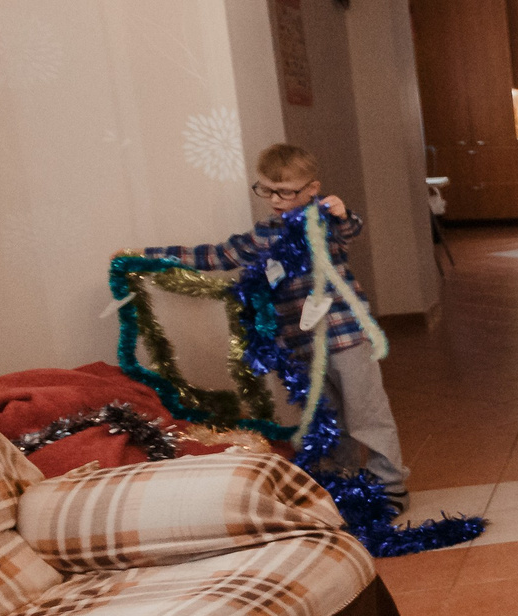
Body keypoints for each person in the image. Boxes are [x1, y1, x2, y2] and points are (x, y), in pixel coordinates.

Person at [146, 141, 407, 501]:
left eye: (285, 192)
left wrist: (343, 214)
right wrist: (149, 257)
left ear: (312, 189)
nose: (275, 199)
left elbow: (350, 230)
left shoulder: (324, 220)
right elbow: (219, 255)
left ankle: (390, 487)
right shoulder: (265, 233)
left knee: (368, 415)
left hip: (346, 337)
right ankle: (345, 485)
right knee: (325, 419)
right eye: (266, 190)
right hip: (300, 342)